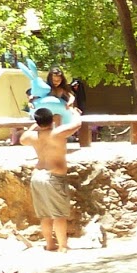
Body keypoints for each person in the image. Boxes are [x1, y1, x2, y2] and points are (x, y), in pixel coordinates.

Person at [19, 107, 83, 251]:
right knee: (59, 215)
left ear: (37, 121)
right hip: (53, 177)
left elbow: (22, 139)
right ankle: (62, 247)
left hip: (37, 176)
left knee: (45, 215)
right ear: (52, 119)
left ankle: (50, 244)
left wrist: (35, 125)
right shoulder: (57, 133)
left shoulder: (32, 136)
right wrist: (74, 112)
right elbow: (77, 124)